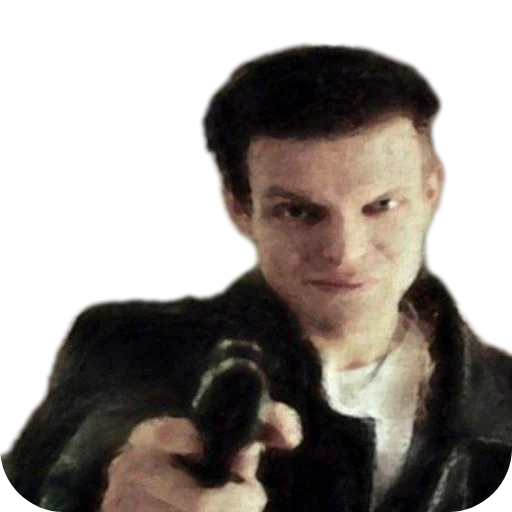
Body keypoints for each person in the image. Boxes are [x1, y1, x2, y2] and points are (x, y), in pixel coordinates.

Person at [3, 41, 511, 511]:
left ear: (432, 191)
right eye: (298, 211)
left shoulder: (504, 395)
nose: (345, 252)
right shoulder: (127, 352)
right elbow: (52, 477)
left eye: (381, 206)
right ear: (239, 209)